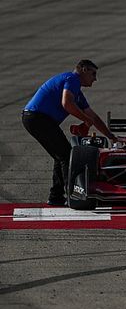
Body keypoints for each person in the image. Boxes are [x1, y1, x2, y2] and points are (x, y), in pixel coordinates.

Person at [22, 60, 118, 206]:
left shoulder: (77, 92)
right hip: (37, 118)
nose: (95, 79)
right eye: (93, 74)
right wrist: (86, 120)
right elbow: (66, 103)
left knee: (60, 155)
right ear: (84, 70)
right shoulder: (72, 79)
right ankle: (73, 196)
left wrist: (110, 136)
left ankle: (56, 196)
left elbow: (94, 117)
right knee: (67, 155)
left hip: (36, 118)